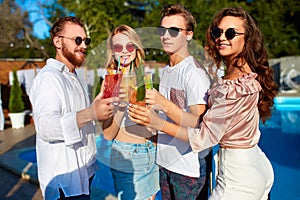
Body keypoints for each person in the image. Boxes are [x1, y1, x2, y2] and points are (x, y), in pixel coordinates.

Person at [129, 6, 277, 199]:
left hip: (234, 175)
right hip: (250, 163)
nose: (222, 37)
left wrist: (159, 118)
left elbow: (202, 134)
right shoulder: (237, 77)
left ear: (247, 38)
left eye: (231, 33)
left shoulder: (228, 84)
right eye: (218, 32)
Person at [29, 16, 117, 200]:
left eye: (86, 40)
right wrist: (90, 113)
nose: (83, 45)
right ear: (58, 41)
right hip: (65, 185)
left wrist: (97, 106)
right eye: (77, 40)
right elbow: (45, 127)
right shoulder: (49, 78)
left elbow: (81, 118)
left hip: (84, 174)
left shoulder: (73, 76)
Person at [131, 3, 212, 200]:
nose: (166, 36)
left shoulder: (194, 73)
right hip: (166, 163)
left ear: (189, 35)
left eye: (174, 31)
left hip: (188, 170)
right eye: (162, 30)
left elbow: (199, 125)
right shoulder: (168, 70)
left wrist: (163, 104)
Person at [101, 24, 159, 200]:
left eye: (130, 45)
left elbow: (152, 120)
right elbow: (108, 134)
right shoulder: (110, 82)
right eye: (118, 46)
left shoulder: (145, 78)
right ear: (113, 51)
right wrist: (119, 106)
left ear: (136, 48)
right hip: (129, 157)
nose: (125, 51)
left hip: (152, 153)